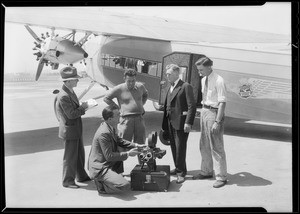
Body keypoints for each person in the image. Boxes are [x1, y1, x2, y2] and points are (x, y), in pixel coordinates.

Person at [88, 105, 146, 194]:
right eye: (118, 115)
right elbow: (109, 156)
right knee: (125, 186)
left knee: (119, 154)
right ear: (110, 119)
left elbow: (119, 140)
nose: (121, 116)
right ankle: (101, 185)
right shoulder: (104, 133)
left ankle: (111, 177)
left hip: (106, 162)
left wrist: (136, 145)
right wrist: (128, 154)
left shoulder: (110, 126)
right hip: (100, 166)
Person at [193, 56, 228, 188]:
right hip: (204, 111)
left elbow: (222, 103)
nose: (199, 72)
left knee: (217, 146)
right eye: (198, 70)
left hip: (214, 113)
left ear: (209, 67)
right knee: (204, 144)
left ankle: (221, 177)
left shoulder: (219, 80)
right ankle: (206, 171)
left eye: (201, 70)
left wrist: (217, 122)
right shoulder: (203, 80)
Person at [55, 66, 90, 188]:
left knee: (79, 154)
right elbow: (71, 114)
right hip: (70, 130)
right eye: (75, 79)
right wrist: (83, 107)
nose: (78, 80)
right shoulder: (64, 95)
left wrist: (81, 106)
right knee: (70, 157)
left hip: (74, 129)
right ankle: (68, 181)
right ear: (68, 81)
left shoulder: (70, 91)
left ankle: (81, 176)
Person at [161, 64, 196, 184]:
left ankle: (181, 173)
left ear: (176, 74)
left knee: (180, 147)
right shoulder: (170, 87)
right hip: (170, 121)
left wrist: (188, 122)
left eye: (169, 74)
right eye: (166, 74)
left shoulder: (185, 86)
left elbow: (192, 105)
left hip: (181, 122)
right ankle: (177, 167)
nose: (167, 76)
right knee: (174, 147)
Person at [103, 69, 148, 146]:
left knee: (141, 145)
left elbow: (145, 94)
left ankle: (141, 157)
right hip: (125, 121)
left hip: (139, 119)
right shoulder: (119, 88)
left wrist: (141, 104)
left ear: (135, 79)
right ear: (124, 79)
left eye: (133, 81)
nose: (131, 83)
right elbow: (106, 98)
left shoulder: (140, 86)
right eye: (129, 81)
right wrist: (117, 108)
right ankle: (121, 157)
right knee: (123, 144)